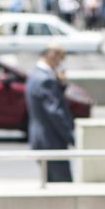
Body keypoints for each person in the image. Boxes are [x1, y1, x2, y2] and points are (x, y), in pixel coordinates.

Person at [25, 45, 75, 184]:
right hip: (51, 141)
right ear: (52, 56)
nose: (61, 64)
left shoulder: (36, 74)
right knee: (63, 185)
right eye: (60, 60)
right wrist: (71, 136)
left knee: (51, 185)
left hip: (41, 140)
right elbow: (55, 112)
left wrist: (61, 84)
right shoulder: (45, 80)